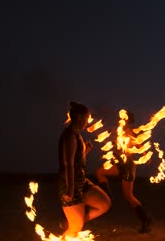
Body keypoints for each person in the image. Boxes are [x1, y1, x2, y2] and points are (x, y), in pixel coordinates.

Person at [58, 101, 111, 238]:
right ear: (80, 117)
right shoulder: (69, 136)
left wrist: (84, 152)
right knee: (75, 229)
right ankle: (72, 226)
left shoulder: (77, 134)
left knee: (104, 203)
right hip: (71, 184)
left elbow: (75, 160)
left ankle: (74, 220)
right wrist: (70, 189)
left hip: (81, 181)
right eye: (87, 117)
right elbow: (68, 163)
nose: (88, 121)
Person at [95, 112, 153, 233]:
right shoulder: (120, 130)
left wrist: (145, 156)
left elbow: (138, 143)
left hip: (127, 166)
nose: (120, 118)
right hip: (120, 164)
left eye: (123, 117)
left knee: (129, 196)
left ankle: (145, 219)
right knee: (100, 172)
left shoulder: (129, 131)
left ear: (127, 119)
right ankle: (108, 198)